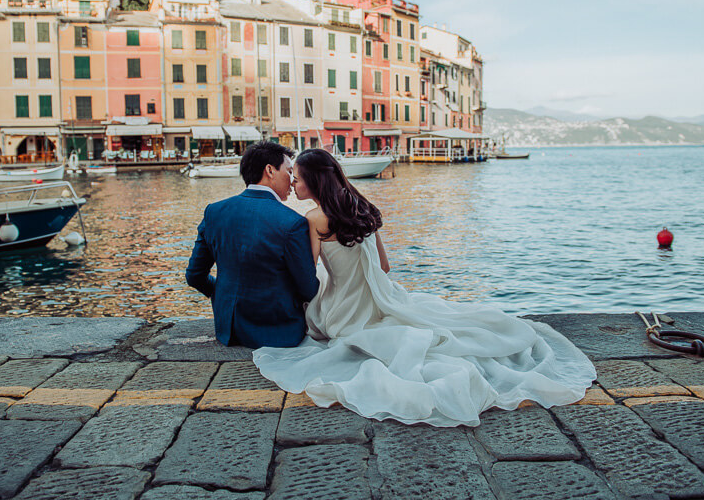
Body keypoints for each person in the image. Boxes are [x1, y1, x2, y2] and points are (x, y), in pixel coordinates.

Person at [253, 149, 596, 427]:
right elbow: (384, 268)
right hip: (379, 300)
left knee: (316, 317)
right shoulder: (362, 207)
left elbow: (307, 275)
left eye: (297, 176)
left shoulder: (312, 219)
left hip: (342, 313)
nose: (294, 182)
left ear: (313, 179)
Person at [186, 141, 319, 348]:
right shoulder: (293, 223)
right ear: (270, 170)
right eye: (289, 171)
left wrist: (221, 292)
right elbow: (308, 289)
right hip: (277, 331)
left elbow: (194, 276)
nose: (292, 181)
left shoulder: (214, 212)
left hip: (228, 330)